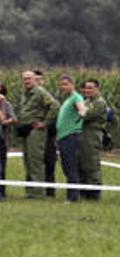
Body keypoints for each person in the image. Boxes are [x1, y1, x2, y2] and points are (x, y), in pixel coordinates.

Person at [17, 70, 59, 199]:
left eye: (29, 78)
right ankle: (30, 191)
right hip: (26, 129)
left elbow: (55, 106)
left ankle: (38, 192)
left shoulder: (40, 92)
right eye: (24, 79)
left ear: (35, 79)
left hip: (36, 130)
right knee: (28, 161)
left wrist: (45, 123)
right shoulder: (25, 94)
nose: (27, 81)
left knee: (36, 161)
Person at [55, 75, 87, 203]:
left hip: (71, 136)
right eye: (62, 84)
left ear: (72, 84)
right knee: (67, 166)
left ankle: (73, 197)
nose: (63, 87)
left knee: (70, 166)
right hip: (63, 137)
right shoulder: (67, 99)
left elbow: (82, 109)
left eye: (66, 84)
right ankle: (73, 194)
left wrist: (81, 114)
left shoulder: (76, 97)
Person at [80, 79, 107, 201]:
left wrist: (79, 110)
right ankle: (84, 191)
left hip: (92, 135)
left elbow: (86, 115)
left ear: (97, 89)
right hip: (82, 134)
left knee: (91, 163)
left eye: (90, 88)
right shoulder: (85, 101)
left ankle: (94, 192)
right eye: (86, 88)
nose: (87, 90)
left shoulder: (99, 103)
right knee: (82, 162)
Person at [34, 69, 60, 197]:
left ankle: (50, 190)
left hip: (48, 133)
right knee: (35, 163)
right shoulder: (29, 96)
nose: (38, 82)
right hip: (34, 134)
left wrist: (46, 123)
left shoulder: (48, 96)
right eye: (35, 79)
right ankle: (36, 190)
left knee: (50, 162)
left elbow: (56, 109)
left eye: (40, 79)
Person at [0, 83, 18, 197]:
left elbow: (14, 119)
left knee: (1, 166)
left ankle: (1, 191)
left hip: (2, 139)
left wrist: (5, 122)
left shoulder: (7, 105)